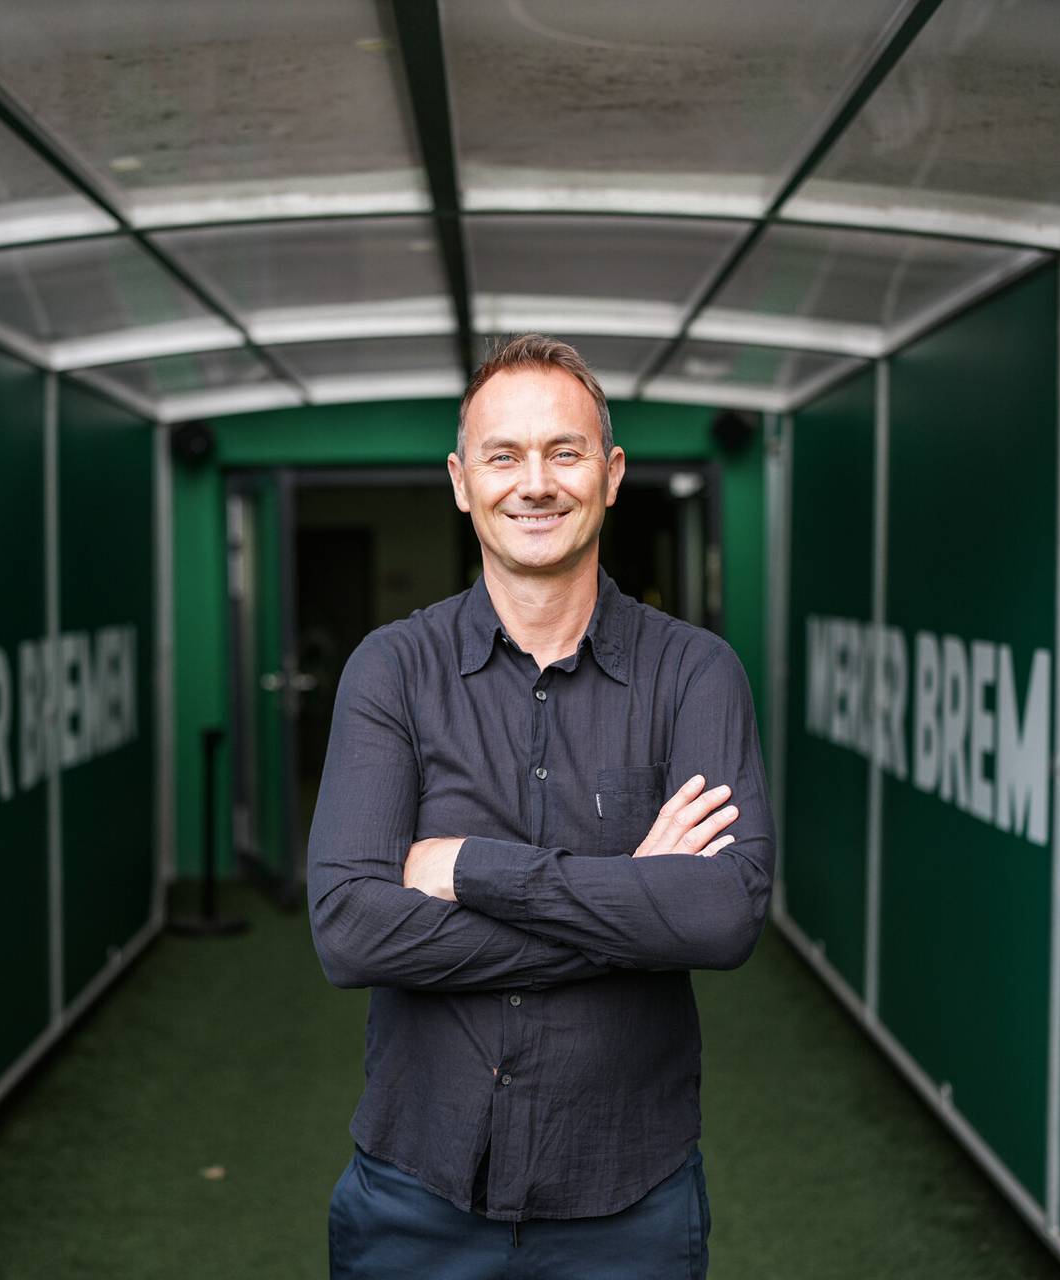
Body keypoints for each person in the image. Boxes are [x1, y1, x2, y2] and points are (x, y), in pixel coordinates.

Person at [307, 334, 773, 1279]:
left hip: (627, 1201)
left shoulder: (696, 675)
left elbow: (722, 915)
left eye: (564, 452)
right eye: (503, 455)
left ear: (611, 476)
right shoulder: (391, 670)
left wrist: (469, 868)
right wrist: (635, 903)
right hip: (415, 1196)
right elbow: (351, 930)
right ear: (460, 481)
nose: (536, 483)